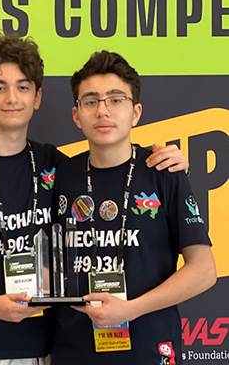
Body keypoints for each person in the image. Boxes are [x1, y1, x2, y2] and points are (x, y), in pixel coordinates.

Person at [0, 32, 190, 365]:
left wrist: (172, 161)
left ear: (37, 97)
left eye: (23, 87)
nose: (12, 98)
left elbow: (114, 166)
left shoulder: (57, 166)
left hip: (46, 347)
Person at [51, 51, 216, 364]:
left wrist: (130, 309)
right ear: (76, 115)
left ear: (135, 112)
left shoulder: (164, 170)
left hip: (150, 349)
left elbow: (204, 270)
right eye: (91, 101)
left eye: (116, 100)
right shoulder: (61, 175)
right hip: (76, 351)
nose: (103, 110)